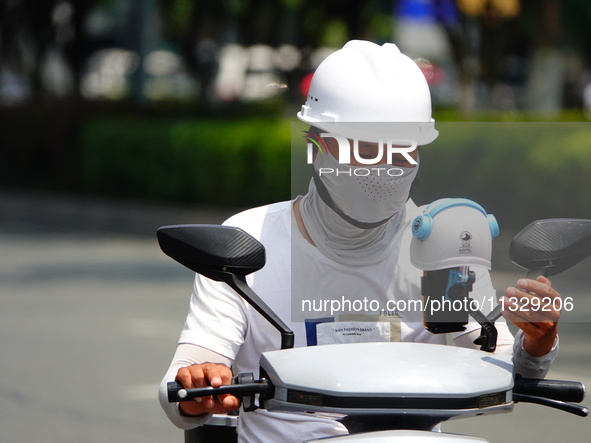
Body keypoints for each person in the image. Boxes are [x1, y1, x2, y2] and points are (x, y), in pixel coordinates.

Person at [159, 40, 561, 442]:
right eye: (364, 150)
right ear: (316, 149)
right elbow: (188, 378)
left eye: (401, 151)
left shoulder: (443, 242)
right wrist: (200, 385)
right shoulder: (249, 242)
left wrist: (537, 341)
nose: (384, 167)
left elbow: (504, 365)